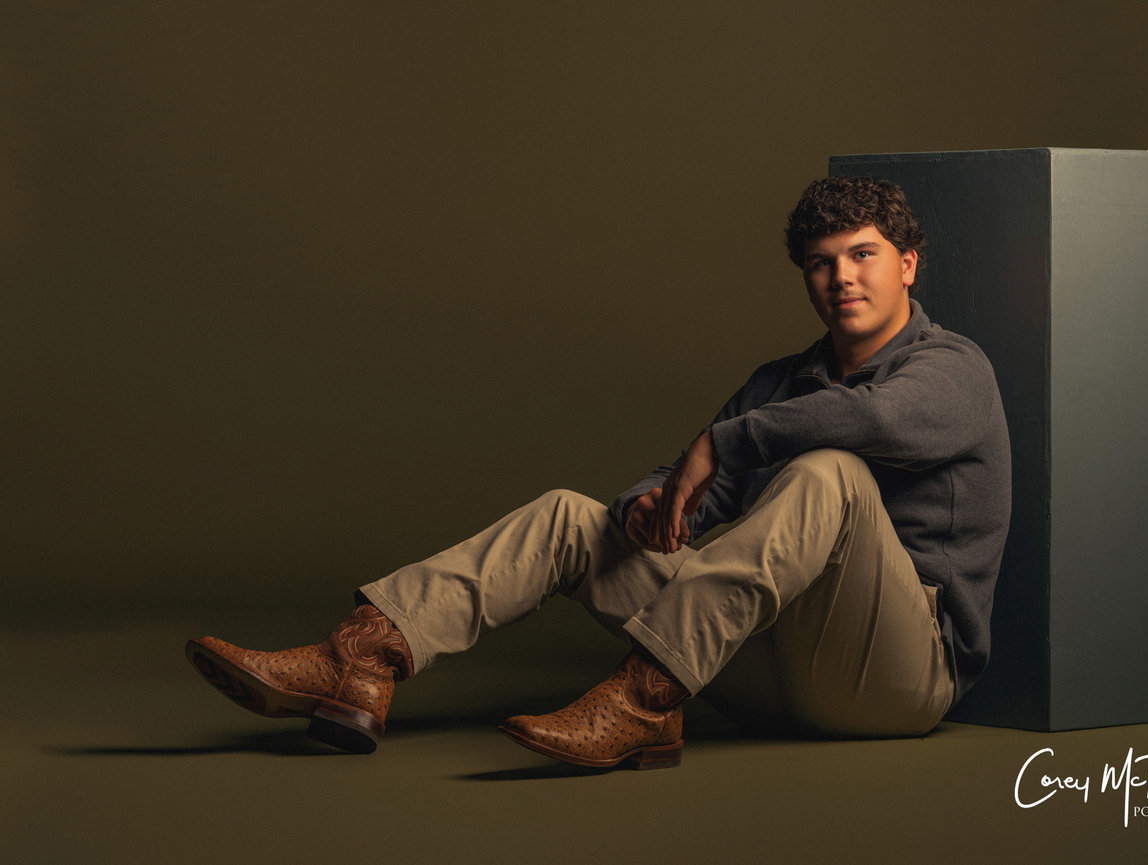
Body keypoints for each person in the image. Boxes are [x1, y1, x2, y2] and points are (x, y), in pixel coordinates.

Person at [186, 176, 1012, 769]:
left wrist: (726, 442)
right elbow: (696, 485)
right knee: (570, 516)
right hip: (756, 666)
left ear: (908, 264)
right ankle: (360, 659)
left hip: (897, 678)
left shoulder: (953, 369)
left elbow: (875, 423)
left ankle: (643, 701)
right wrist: (649, 506)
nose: (842, 279)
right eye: (822, 264)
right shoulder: (784, 379)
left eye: (863, 256)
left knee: (830, 470)